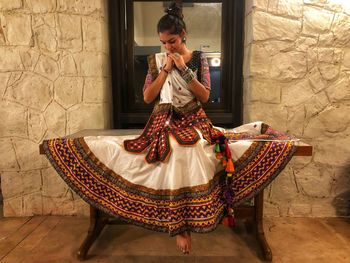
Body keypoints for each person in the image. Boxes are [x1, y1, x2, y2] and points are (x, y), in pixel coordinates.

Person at [42, 1, 297, 256]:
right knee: (170, 148)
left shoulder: (199, 59)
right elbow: (147, 96)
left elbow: (206, 96)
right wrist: (165, 69)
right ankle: (178, 226)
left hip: (193, 119)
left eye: (172, 41)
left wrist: (184, 69)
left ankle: (192, 218)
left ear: (183, 34)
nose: (167, 47)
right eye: (163, 42)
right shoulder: (156, 62)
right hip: (162, 119)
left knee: (192, 147)